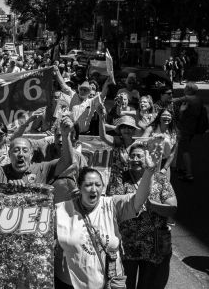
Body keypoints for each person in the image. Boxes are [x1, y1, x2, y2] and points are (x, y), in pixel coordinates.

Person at [55, 150, 160, 289]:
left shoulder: (111, 205)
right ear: (79, 188)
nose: (94, 189)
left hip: (109, 284)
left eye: (98, 185)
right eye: (88, 185)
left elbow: (138, 200)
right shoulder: (61, 210)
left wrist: (149, 172)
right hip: (69, 284)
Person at [106, 143, 177, 289]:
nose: (135, 159)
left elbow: (172, 207)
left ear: (148, 158)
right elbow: (112, 205)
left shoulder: (160, 179)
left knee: (148, 285)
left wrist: (153, 205)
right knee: (125, 285)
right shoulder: (120, 178)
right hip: (127, 245)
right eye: (132, 156)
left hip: (153, 245)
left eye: (139, 156)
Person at [0, 117, 76, 191]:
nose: (20, 154)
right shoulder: (0, 173)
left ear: (31, 155)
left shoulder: (43, 169)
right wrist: (8, 189)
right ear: (9, 154)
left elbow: (67, 162)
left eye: (25, 150)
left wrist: (66, 136)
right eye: (16, 150)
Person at [173, 82, 206, 181]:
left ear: (188, 89)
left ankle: (189, 174)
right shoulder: (198, 99)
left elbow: (172, 100)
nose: (184, 89)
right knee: (185, 148)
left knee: (185, 150)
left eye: (185, 87)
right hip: (193, 128)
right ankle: (183, 168)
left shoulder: (187, 98)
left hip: (184, 128)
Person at [142, 109, 178, 178]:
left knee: (163, 187)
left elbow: (172, 153)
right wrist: (153, 139)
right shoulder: (151, 128)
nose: (166, 117)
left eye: (168, 115)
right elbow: (142, 140)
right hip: (150, 161)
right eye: (164, 115)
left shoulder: (173, 132)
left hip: (164, 164)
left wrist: (165, 168)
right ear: (159, 117)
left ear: (171, 118)